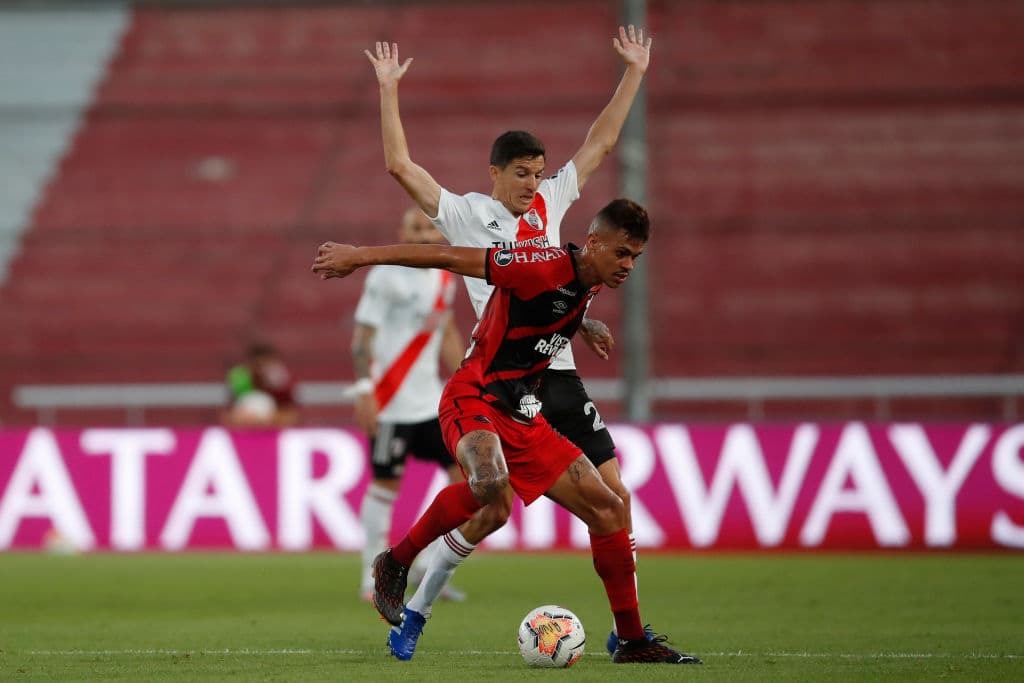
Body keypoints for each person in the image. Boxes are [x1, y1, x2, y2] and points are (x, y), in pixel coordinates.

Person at [363, 25, 654, 658]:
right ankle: (412, 607)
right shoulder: (466, 213)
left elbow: (601, 144)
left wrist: (633, 71)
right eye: (521, 174)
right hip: (496, 374)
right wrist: (388, 90)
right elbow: (398, 166)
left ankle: (630, 632)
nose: (532, 184)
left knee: (615, 502)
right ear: (494, 174)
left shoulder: (553, 203)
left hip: (556, 372)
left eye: (538, 174)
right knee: (491, 506)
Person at [313, 198, 701, 665]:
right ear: (594, 242)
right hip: (473, 395)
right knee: (491, 484)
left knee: (610, 508)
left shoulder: (589, 281)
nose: (628, 265)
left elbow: (548, 312)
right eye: (621, 253)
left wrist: (585, 325)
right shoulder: (537, 265)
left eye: (635, 257)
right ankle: (395, 561)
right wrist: (359, 255)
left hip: (522, 414)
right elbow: (448, 256)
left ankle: (633, 640)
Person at [350, 207, 471, 603]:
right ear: (401, 233)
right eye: (414, 228)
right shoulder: (384, 276)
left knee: (469, 479)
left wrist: (464, 378)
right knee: (386, 485)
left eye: (428, 228)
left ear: (439, 236)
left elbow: (447, 330)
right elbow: (362, 339)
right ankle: (372, 576)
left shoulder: (444, 277)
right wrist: (366, 389)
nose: (422, 234)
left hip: (430, 403)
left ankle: (429, 567)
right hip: (391, 403)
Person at [222, 341, 299, 428]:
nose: (260, 370)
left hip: (273, 430)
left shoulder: (281, 383)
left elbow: (292, 415)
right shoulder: (241, 380)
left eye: (265, 365)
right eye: (257, 365)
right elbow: (228, 416)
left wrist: (270, 418)